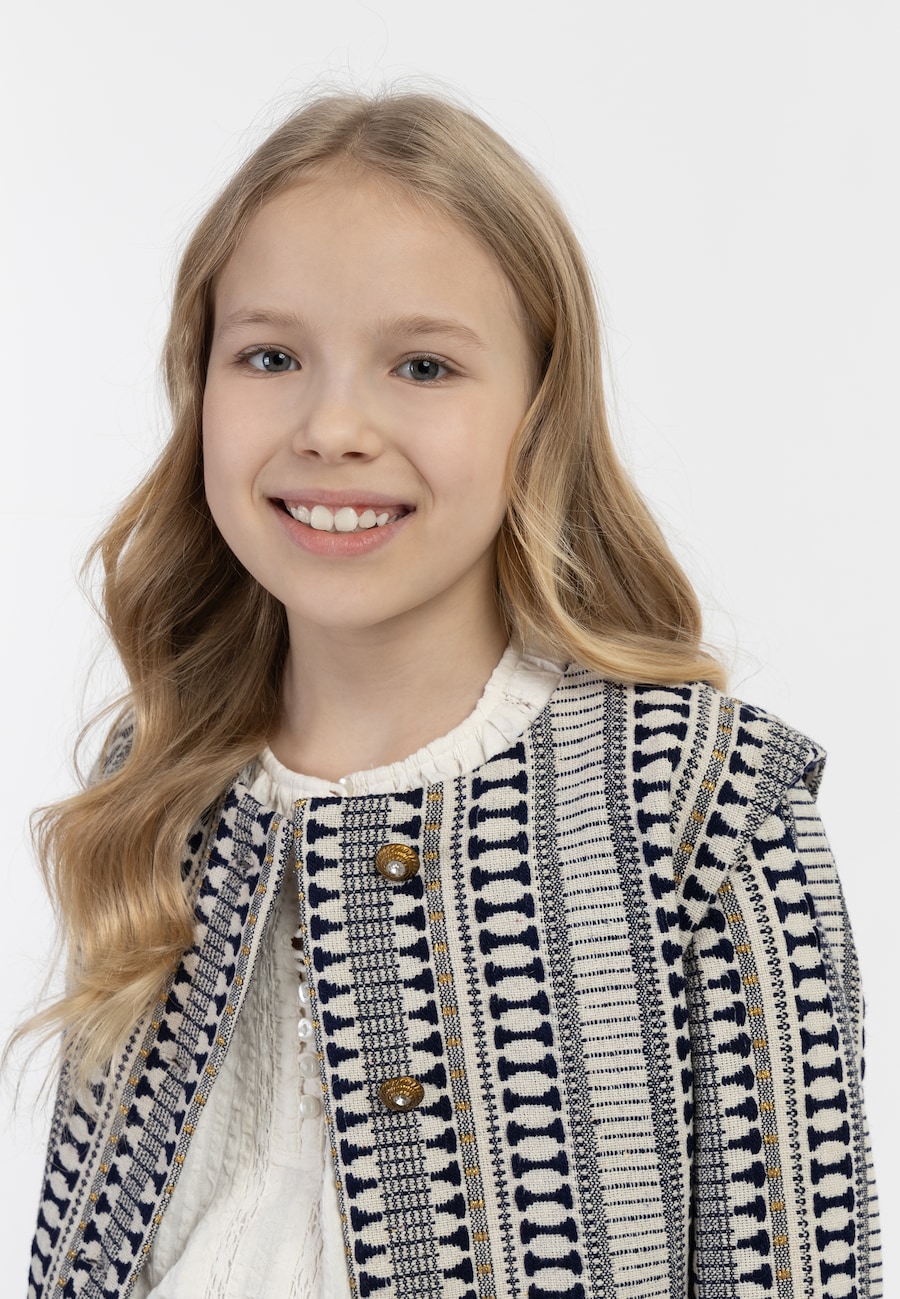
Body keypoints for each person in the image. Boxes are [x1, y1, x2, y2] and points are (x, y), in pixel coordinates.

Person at [25, 90, 880, 1298]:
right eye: (270, 357)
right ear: (197, 388)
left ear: (541, 412)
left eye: (423, 365)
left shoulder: (698, 802)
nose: (332, 427)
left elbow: (796, 1259)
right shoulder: (154, 783)